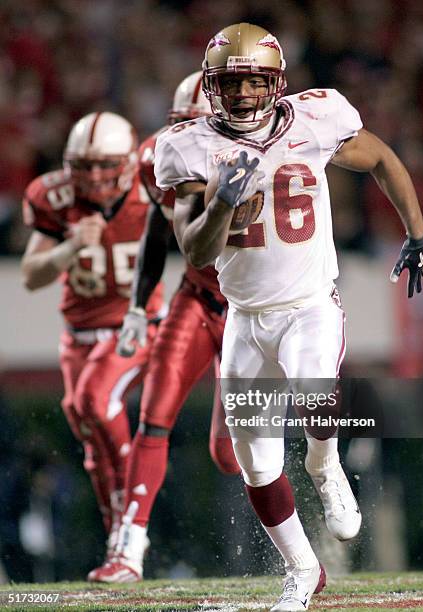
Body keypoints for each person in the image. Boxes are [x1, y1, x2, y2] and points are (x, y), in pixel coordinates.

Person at [153, 23, 423, 612]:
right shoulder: (187, 147)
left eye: (256, 82)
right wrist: (223, 203)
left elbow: (378, 155)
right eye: (233, 83)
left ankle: (326, 464)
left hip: (308, 304)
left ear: (276, 82)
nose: (246, 95)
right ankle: (304, 571)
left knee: (315, 392)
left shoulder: (316, 117)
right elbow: (196, 252)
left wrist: (418, 229)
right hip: (246, 319)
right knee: (256, 464)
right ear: (211, 86)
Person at [87, 71, 240, 584]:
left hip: (254, 310)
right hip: (197, 299)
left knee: (230, 454)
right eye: (180, 126)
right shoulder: (160, 156)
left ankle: (299, 552)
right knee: (153, 417)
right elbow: (159, 225)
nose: (184, 139)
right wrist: (136, 306)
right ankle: (129, 551)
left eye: (195, 127)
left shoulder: (263, 152)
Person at [21, 111, 164, 568]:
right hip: (78, 335)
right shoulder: (54, 196)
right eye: (84, 165)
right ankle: (119, 544)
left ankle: (131, 529)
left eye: (105, 164)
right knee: (89, 436)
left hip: (135, 323)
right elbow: (31, 275)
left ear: (126, 160)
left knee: (97, 399)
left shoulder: (153, 185)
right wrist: (69, 248)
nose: (95, 176)